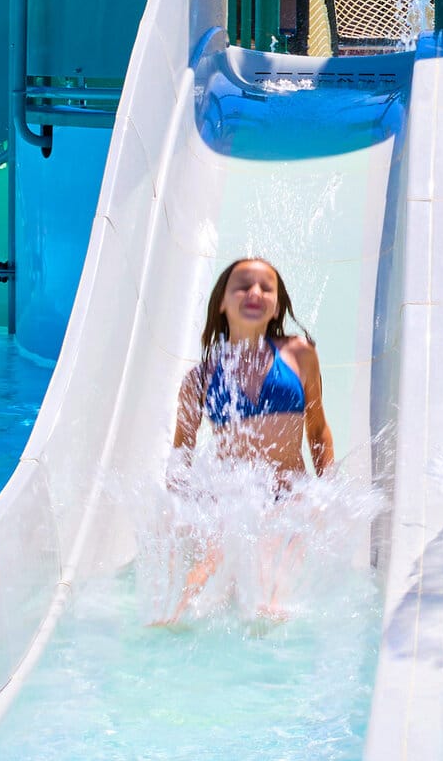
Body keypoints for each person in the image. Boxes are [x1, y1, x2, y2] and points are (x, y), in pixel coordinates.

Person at [158, 258, 332, 623]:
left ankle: (270, 609)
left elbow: (317, 429)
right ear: (221, 302)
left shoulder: (299, 354)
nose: (255, 292)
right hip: (233, 497)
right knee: (208, 564)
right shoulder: (200, 379)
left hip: (290, 494)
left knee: (271, 566)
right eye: (242, 286)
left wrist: (328, 491)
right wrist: (181, 513)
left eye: (266, 288)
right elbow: (181, 454)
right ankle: (175, 618)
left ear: (277, 307)